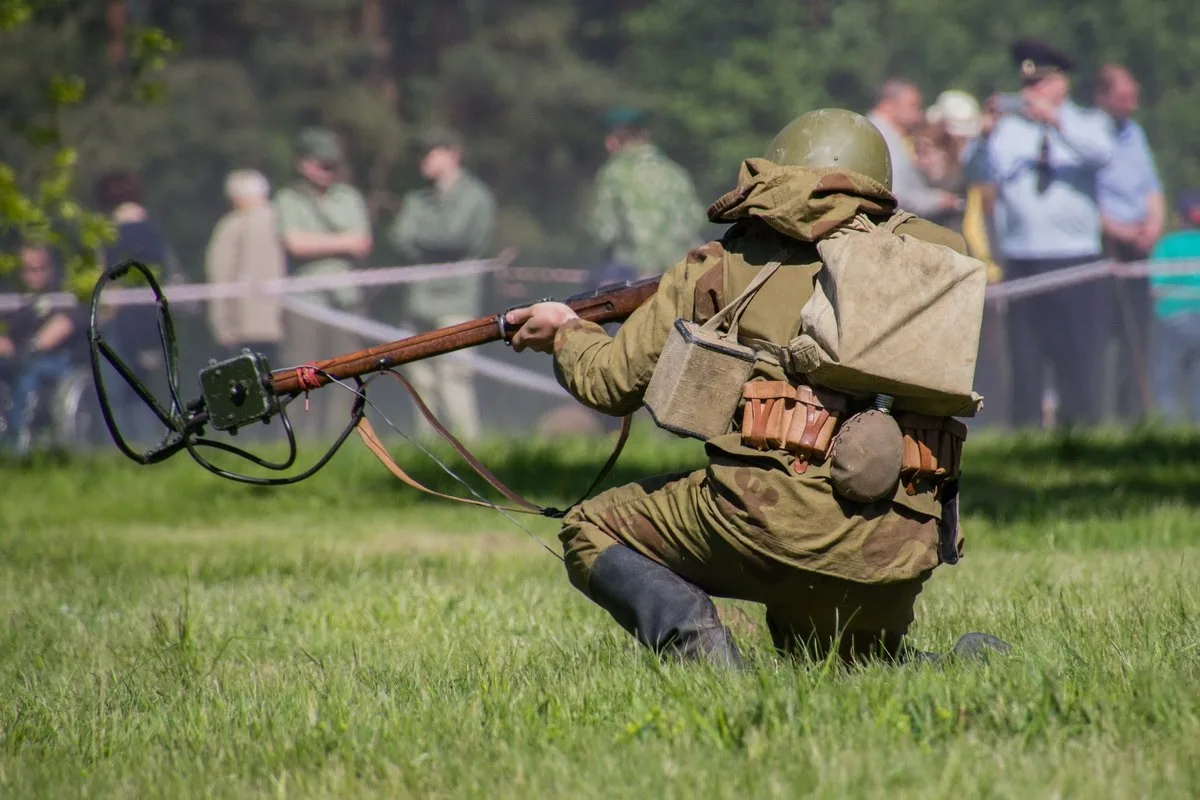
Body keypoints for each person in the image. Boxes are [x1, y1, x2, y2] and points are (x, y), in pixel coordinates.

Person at [503, 109, 1007, 667]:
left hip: (766, 527)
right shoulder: (936, 262)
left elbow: (607, 383)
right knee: (836, 663)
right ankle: (954, 666)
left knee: (589, 528)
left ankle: (705, 659)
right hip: (898, 551)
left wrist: (567, 331)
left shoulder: (722, 263)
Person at [985, 39, 1116, 428]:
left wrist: (1056, 121)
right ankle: (1024, 435)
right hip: (1025, 257)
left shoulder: (1088, 123)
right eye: (1028, 87)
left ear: (1061, 83)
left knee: (1078, 356)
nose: (1032, 94)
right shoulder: (1009, 131)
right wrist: (984, 132)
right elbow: (987, 172)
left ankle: (1083, 434)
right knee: (1026, 358)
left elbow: (1102, 153)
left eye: (1041, 84)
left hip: (1075, 257)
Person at [388, 129, 496, 441]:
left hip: (456, 301)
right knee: (420, 379)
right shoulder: (416, 199)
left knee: (454, 376)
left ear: (453, 154)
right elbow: (399, 238)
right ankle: (429, 449)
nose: (423, 161)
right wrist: (429, 238)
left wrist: (422, 236)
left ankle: (468, 447)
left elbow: (455, 237)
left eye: (431, 153)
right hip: (419, 300)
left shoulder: (475, 196)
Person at [274, 127, 372, 437]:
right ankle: (298, 440)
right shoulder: (287, 198)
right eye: (321, 163)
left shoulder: (350, 197)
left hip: (346, 300)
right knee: (301, 375)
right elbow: (294, 244)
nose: (328, 170)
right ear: (303, 163)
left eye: (333, 164)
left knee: (346, 373)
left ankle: (340, 437)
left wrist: (320, 241)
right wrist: (341, 241)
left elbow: (362, 243)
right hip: (305, 303)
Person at [1095, 64, 1166, 422]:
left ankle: (1133, 416)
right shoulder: (1091, 135)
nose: (1131, 105)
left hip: (1139, 248)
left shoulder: (1134, 134)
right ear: (1103, 98)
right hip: (1105, 248)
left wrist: (1154, 224)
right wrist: (1119, 230)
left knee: (1137, 338)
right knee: (1098, 341)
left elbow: (1152, 188)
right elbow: (1087, 200)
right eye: (1124, 98)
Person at [95, 170, 178, 444]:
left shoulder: (114, 233)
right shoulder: (153, 230)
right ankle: (151, 446)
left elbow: (110, 277)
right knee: (143, 390)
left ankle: (118, 448)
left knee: (116, 391)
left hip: (121, 319)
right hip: (149, 319)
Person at [586, 107, 706, 285]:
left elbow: (605, 232)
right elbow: (697, 220)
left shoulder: (614, 174)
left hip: (635, 279)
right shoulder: (675, 172)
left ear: (612, 141)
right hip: (682, 277)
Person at [0, 244, 83, 454]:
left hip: (56, 361)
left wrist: (26, 348)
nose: (35, 274)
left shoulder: (62, 296)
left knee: (29, 373)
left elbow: (58, 329)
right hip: (15, 359)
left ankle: (19, 444)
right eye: (29, 269)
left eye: (41, 268)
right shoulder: (14, 298)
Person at [204, 169, 286, 367]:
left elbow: (220, 274)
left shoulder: (232, 225)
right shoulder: (281, 218)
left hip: (245, 324)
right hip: (281, 321)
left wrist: (221, 324)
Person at [867, 80, 963, 220]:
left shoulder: (881, 133)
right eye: (913, 106)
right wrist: (938, 201)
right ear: (888, 105)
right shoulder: (882, 137)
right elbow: (893, 194)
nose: (918, 114)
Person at [1148, 191, 1200, 422]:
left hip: (1172, 319)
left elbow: (1156, 288)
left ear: (1178, 218)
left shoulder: (1166, 245)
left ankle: (1169, 432)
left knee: (1165, 380)